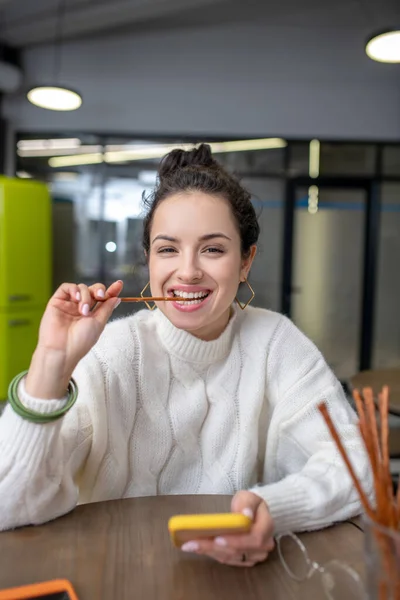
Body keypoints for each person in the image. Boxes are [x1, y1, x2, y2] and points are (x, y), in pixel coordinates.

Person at [0, 144, 372, 567]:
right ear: (148, 259)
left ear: (246, 261)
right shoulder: (111, 352)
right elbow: (7, 505)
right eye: (168, 249)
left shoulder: (276, 343)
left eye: (213, 249)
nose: (189, 270)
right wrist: (52, 362)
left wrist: (272, 510)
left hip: (239, 581)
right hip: (112, 576)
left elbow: (360, 469)